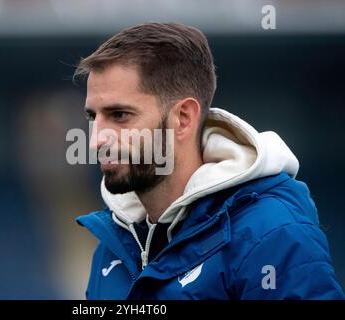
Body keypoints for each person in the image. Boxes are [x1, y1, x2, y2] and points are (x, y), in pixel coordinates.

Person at [74, 22, 344, 299]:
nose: (96, 140)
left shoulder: (272, 236)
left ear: (183, 118)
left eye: (120, 115)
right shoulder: (114, 246)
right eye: (93, 117)